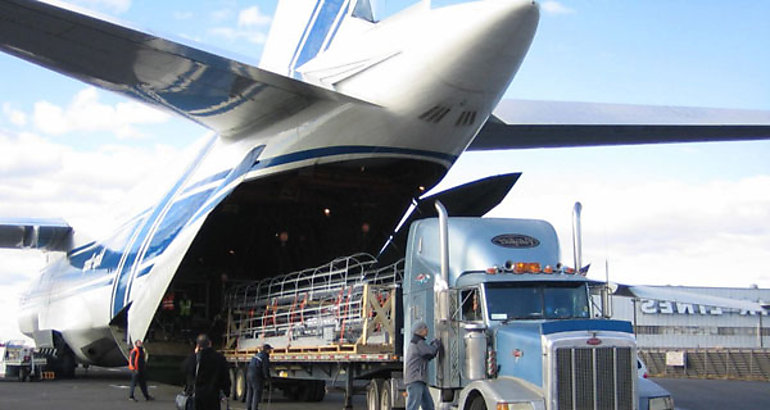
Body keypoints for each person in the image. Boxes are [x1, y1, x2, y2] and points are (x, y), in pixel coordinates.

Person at [185, 334, 231, 410]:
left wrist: (195, 354)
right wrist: (226, 392)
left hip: (197, 396)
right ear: (210, 343)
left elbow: (186, 370)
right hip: (213, 397)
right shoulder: (220, 358)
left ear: (198, 346)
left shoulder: (195, 358)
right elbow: (226, 377)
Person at [404, 321, 440, 410]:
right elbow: (429, 353)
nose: (427, 330)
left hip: (420, 380)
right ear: (420, 331)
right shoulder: (418, 342)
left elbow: (427, 353)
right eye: (425, 328)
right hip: (416, 379)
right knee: (413, 406)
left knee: (428, 406)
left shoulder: (417, 342)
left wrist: (432, 346)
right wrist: (436, 345)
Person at [245, 344, 272, 410]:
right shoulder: (264, 357)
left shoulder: (257, 355)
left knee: (250, 391)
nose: (271, 351)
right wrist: (268, 378)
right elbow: (265, 369)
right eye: (270, 350)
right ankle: (254, 408)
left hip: (249, 374)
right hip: (256, 375)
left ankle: (248, 408)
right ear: (267, 350)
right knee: (256, 392)